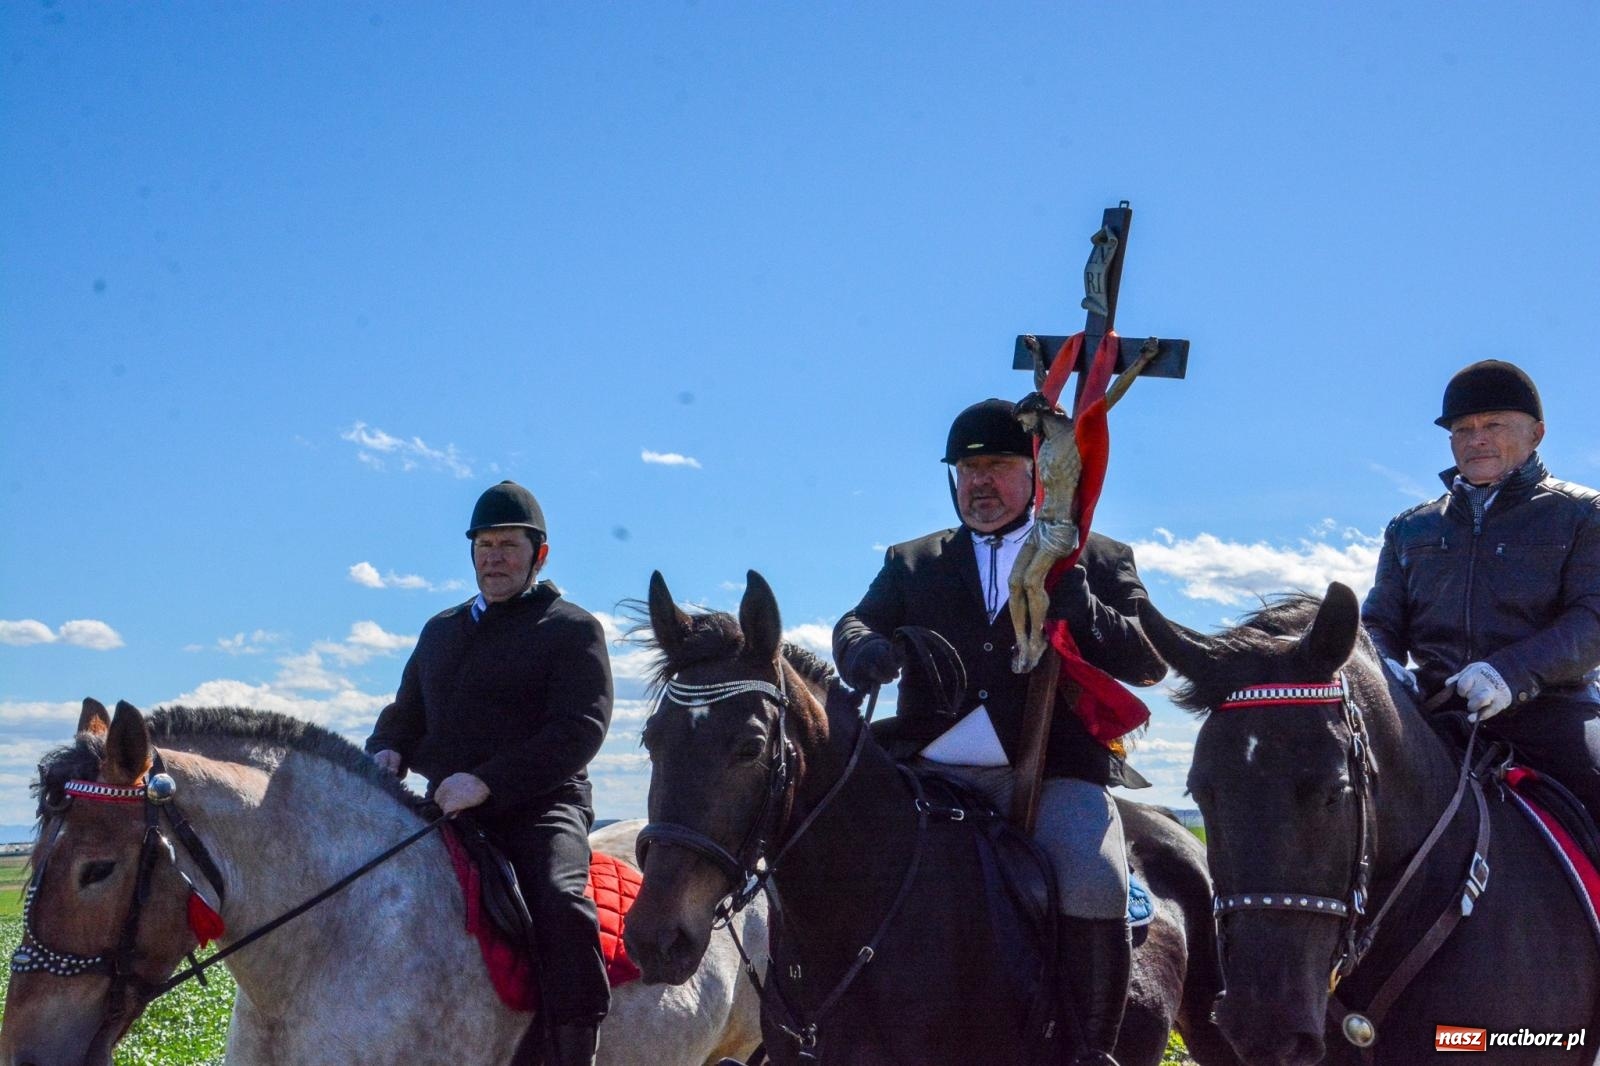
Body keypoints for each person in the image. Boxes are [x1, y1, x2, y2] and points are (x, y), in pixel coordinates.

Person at [832, 398, 1166, 1066]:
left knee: (1094, 879)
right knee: (827, 856)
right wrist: (863, 649)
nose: (978, 482)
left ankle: (1090, 1047)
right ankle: (804, 1027)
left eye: (997, 466)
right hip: (928, 773)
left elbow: (1148, 660)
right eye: (966, 469)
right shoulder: (912, 561)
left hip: (1052, 773)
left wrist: (1086, 609)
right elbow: (855, 622)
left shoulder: (1096, 557)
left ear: (1038, 472)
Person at [367, 480, 613, 1066]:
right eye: (484, 545)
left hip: (540, 807)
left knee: (560, 904)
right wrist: (386, 750)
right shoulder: (440, 630)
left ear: (539, 555)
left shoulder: (572, 629)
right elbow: (406, 713)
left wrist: (489, 782)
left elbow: (580, 728)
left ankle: (573, 1048)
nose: (493, 557)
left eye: (508, 545)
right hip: (446, 806)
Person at [1363, 360, 1600, 825]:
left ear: (1537, 434)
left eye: (1493, 425)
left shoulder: (1585, 515)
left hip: (1553, 711)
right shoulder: (1409, 528)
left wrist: (1509, 674)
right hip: (1433, 711)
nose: (1476, 439)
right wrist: (1382, 665)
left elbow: (1593, 619)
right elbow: (1379, 622)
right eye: (1462, 429)